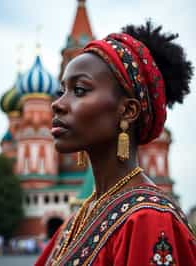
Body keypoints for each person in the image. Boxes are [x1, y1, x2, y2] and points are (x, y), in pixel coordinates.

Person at [35, 21, 196, 266]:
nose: (57, 104)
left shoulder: (149, 220)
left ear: (128, 111)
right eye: (61, 91)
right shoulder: (77, 221)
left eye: (79, 90)